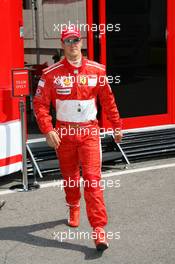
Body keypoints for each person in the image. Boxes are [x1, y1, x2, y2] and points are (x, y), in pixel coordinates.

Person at [33, 25, 122, 251]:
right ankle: (73, 205)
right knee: (70, 176)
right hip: (63, 133)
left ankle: (99, 230)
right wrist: (48, 129)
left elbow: (108, 101)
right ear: (62, 45)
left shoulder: (97, 70)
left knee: (92, 180)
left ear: (82, 42)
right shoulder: (50, 73)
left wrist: (117, 126)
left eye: (76, 40)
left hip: (90, 132)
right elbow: (40, 104)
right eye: (68, 41)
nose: (73, 44)